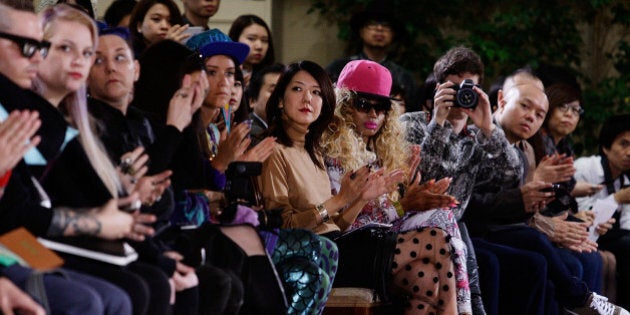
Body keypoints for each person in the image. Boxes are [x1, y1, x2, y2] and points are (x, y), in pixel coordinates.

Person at [0, 1, 133, 313]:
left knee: (123, 291)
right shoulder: (28, 116)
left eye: (88, 53)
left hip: (18, 245)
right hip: (16, 244)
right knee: (93, 298)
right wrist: (99, 223)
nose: (36, 56)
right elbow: (17, 214)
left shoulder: (48, 120)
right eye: (27, 46)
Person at [463, 69, 627, 315]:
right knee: (538, 250)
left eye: (539, 113)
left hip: (512, 228)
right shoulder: (475, 138)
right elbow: (469, 203)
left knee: (574, 255)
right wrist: (538, 211)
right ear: (502, 100)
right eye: (525, 106)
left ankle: (582, 299)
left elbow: (538, 204)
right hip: (478, 229)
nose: (531, 117)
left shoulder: (527, 149)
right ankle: (579, 298)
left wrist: (555, 217)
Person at [322, 59, 469, 314]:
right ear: (344, 106)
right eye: (363, 105)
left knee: (426, 276)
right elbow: (345, 224)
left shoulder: (380, 151)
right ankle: (469, 308)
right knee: (436, 239)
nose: (373, 115)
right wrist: (402, 206)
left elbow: (383, 214)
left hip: (380, 243)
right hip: (346, 248)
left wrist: (407, 196)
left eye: (381, 108)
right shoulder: (332, 150)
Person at [258, 60, 406, 314]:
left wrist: (359, 199)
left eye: (316, 92)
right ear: (280, 100)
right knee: (428, 245)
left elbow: (335, 225)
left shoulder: (312, 148)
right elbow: (282, 227)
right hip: (311, 251)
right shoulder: (273, 149)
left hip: (334, 244)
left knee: (436, 246)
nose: (308, 98)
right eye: (297, 89)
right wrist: (339, 201)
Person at [401, 46, 524, 315]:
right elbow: (424, 179)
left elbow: (512, 178)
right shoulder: (410, 125)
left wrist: (489, 129)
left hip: (456, 226)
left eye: (469, 88)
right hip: (411, 225)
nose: (461, 96)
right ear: (438, 87)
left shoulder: (480, 138)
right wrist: (438, 123)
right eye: (454, 88)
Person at [575, 114, 630, 309]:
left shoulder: (626, 179)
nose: (629, 152)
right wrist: (616, 198)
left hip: (613, 236)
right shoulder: (585, 168)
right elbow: (582, 213)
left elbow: (626, 225)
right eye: (624, 144)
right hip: (582, 232)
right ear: (606, 147)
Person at [325, 1, 418, 110]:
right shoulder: (338, 68)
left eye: (386, 25)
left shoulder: (404, 78)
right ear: (361, 31)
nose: (379, 29)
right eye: (372, 24)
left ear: (393, 34)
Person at [228, 14, 275, 85]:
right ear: (235, 39)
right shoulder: (224, 74)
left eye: (264, 40)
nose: (259, 46)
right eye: (251, 39)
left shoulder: (271, 77)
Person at [246, 63, 284, 140]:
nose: (281, 97)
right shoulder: (250, 131)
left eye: (284, 91)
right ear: (252, 101)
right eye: (274, 91)